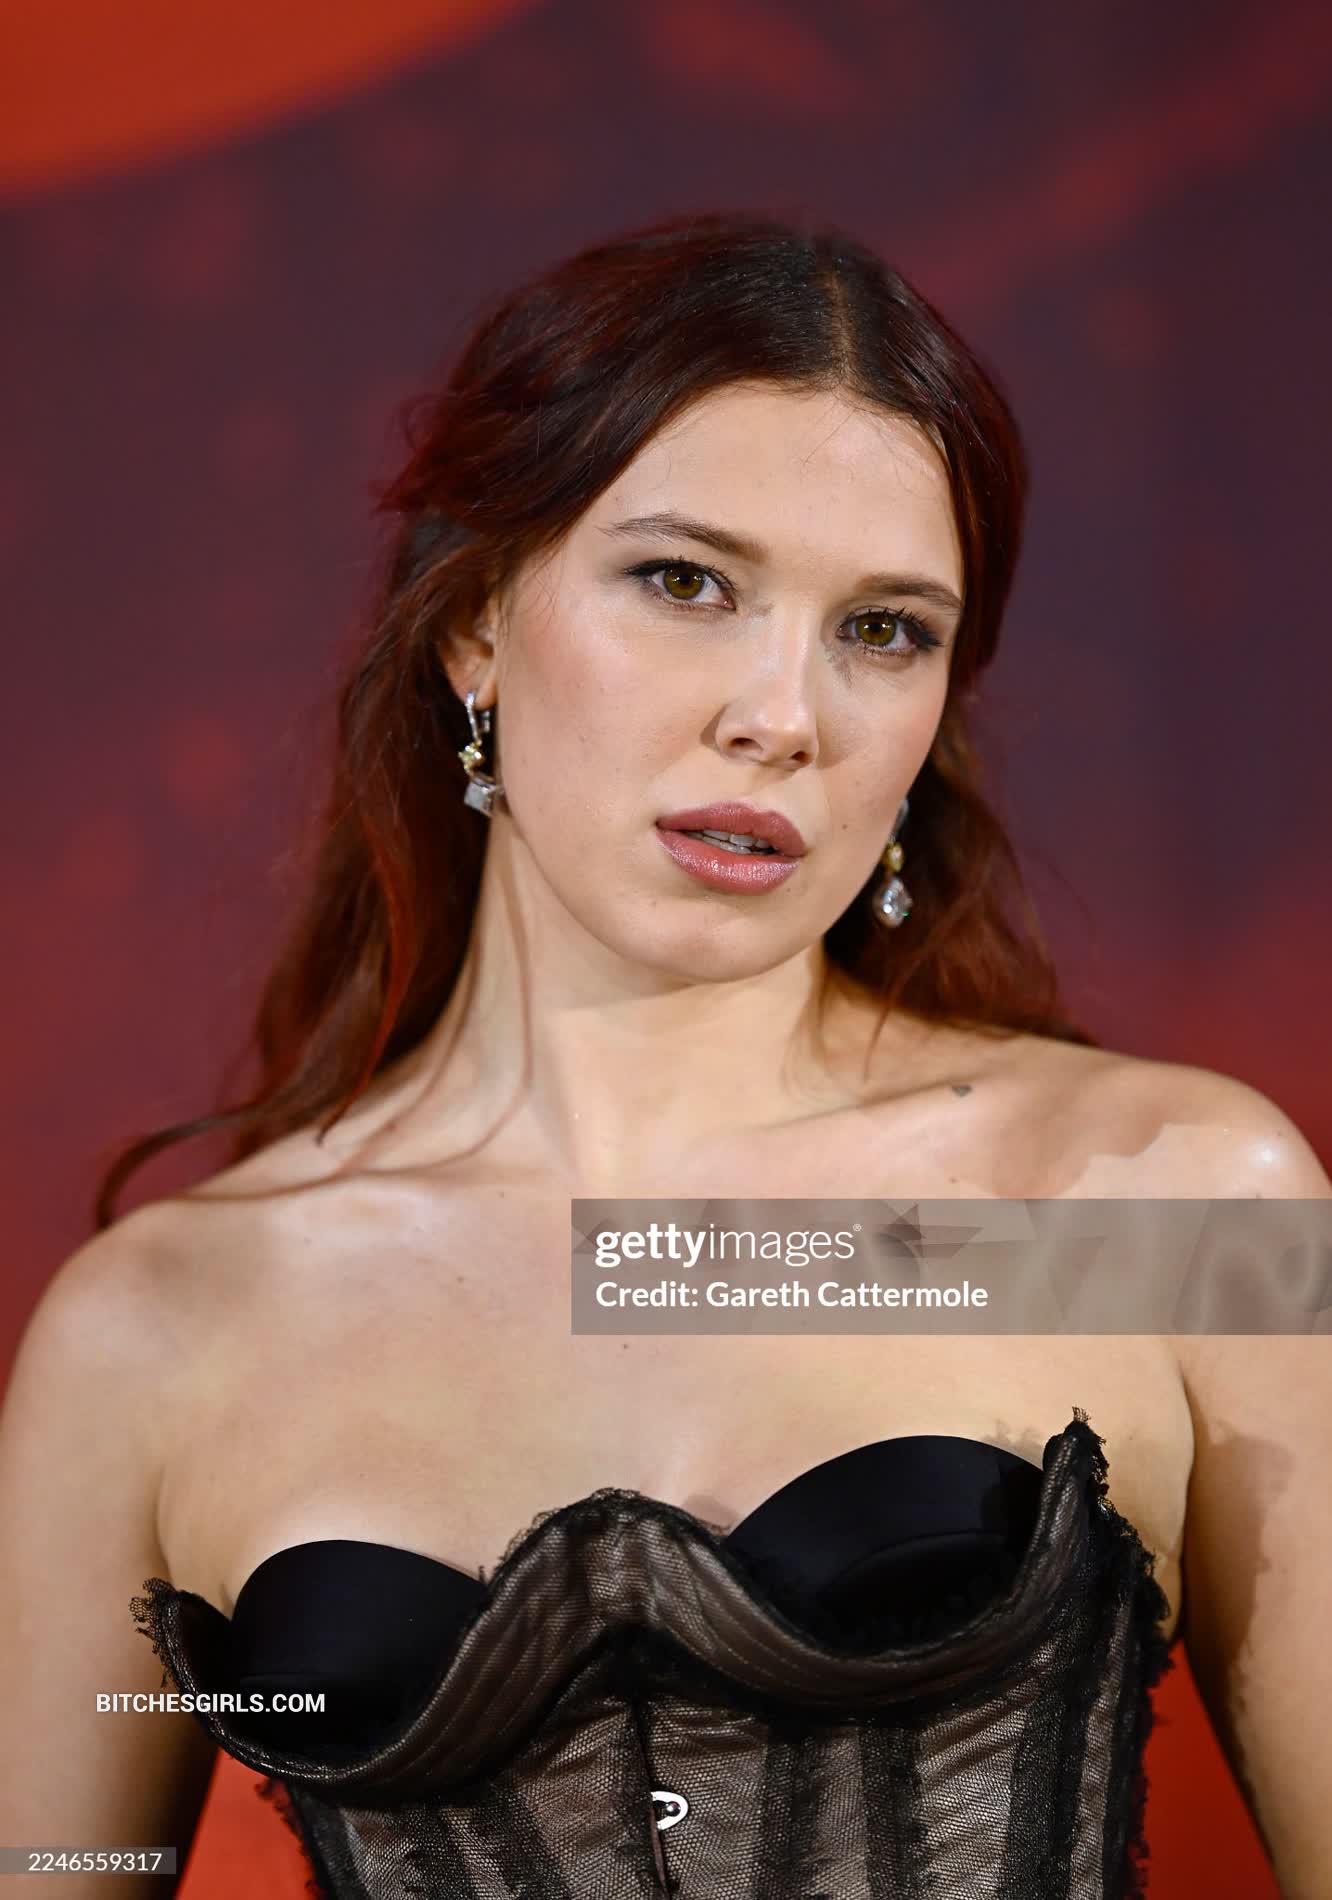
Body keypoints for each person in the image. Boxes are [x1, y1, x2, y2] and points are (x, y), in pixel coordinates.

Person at [1, 211, 1328, 1899]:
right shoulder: (162, 1329)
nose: (784, 715)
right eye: (686, 583)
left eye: (885, 629)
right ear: (475, 622)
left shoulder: (1175, 1209)